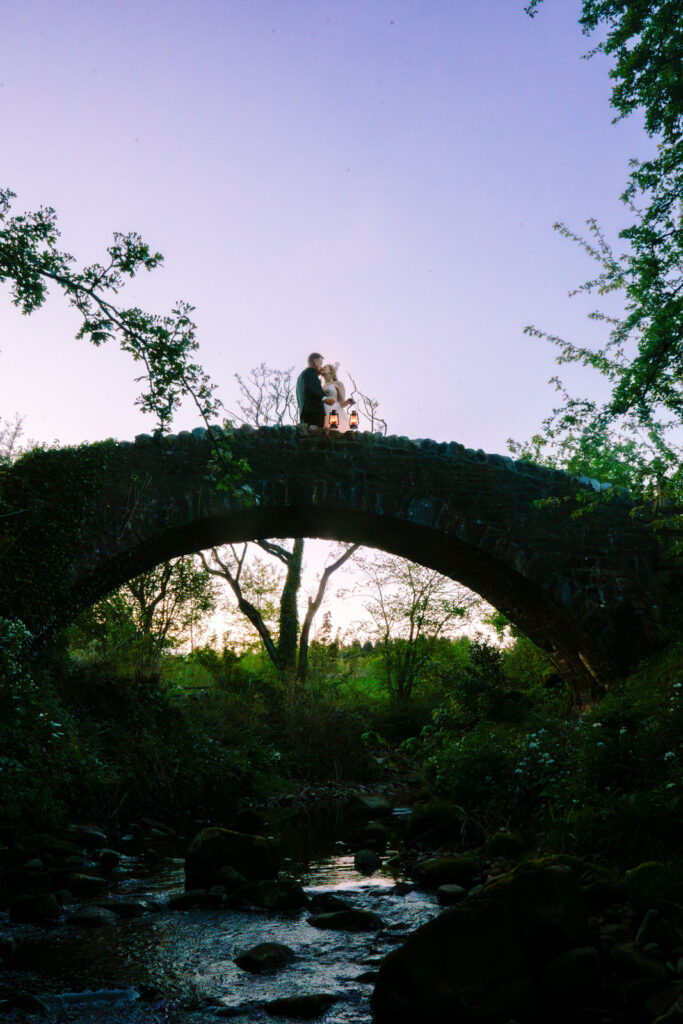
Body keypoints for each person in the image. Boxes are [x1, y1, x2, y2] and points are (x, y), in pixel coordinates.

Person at [296, 352, 333, 429]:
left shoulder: (301, 376)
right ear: (315, 361)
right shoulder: (311, 371)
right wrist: (325, 399)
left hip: (305, 413)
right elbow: (311, 389)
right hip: (314, 413)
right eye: (321, 363)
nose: (321, 366)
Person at [320, 363, 355, 431]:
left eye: (325, 367)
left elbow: (342, 404)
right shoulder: (321, 387)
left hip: (333, 411)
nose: (322, 368)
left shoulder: (338, 384)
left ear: (330, 372)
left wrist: (348, 401)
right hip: (322, 412)